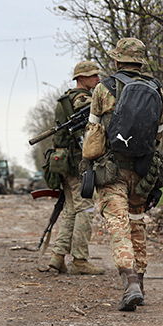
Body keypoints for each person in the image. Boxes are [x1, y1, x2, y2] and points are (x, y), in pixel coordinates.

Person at [86, 37, 163, 311]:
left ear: (117, 60)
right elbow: (158, 136)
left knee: (118, 224)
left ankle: (130, 282)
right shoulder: (156, 89)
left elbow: (93, 134)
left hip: (113, 169)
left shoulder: (103, 88)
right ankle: (140, 284)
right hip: (143, 169)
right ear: (141, 61)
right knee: (136, 222)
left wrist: (89, 165)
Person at [48, 60, 106, 275]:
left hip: (64, 161)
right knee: (86, 207)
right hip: (77, 162)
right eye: (93, 76)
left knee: (72, 209)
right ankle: (80, 259)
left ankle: (58, 256)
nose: (98, 79)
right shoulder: (83, 99)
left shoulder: (64, 99)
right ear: (81, 78)